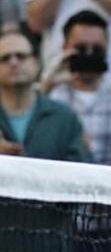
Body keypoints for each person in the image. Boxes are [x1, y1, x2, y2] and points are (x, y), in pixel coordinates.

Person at [43, 9, 111, 166]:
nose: (89, 55)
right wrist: (47, 83)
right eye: (81, 49)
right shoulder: (52, 96)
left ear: (108, 49)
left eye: (97, 50)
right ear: (65, 48)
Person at [0, 29, 88, 161]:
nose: (14, 62)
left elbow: (82, 171)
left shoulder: (65, 118)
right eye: (5, 58)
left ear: (36, 63)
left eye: (21, 56)